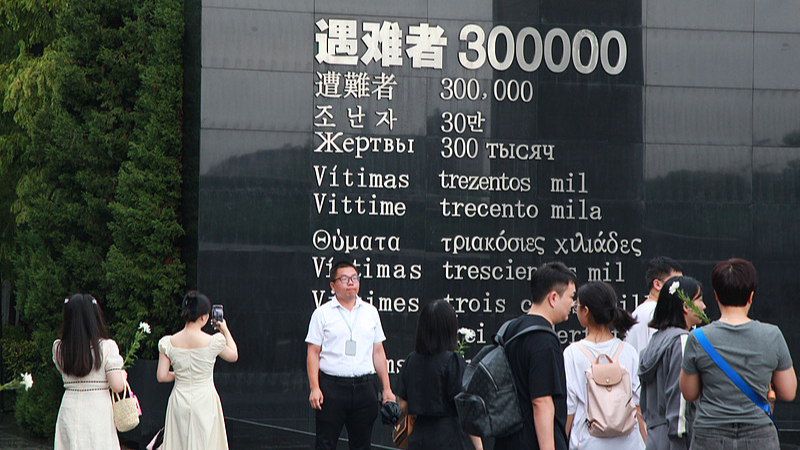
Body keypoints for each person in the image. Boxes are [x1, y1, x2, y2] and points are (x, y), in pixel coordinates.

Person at [680, 258, 796, 449]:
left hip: (709, 434)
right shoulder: (772, 335)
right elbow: (789, 392)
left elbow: (689, 393)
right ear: (751, 296)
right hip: (759, 433)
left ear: (716, 295)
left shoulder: (698, 338)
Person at [305, 260, 396, 450]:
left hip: (365, 388)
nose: (350, 283)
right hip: (332, 388)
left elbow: (378, 352)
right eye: (344, 279)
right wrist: (315, 387)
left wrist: (386, 388)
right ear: (332, 285)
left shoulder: (370, 312)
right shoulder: (322, 314)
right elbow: (313, 353)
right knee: (325, 444)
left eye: (354, 278)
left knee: (362, 445)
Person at [495, 261, 577, 450]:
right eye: (571, 297)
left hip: (507, 439)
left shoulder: (511, 329)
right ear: (553, 297)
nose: (573, 304)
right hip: (531, 442)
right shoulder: (543, 340)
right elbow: (541, 402)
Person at [564, 281, 644, 450]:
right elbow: (638, 403)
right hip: (629, 443)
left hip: (588, 442)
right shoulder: (628, 351)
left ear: (585, 311)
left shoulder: (572, 353)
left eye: (577, 306)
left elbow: (569, 406)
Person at [395, 299, 483, 450]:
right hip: (447, 438)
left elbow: (402, 404)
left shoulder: (411, 360)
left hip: (418, 438)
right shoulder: (452, 361)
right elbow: (464, 408)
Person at [157, 290, 238, 450]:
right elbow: (233, 355)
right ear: (203, 317)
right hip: (205, 400)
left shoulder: (168, 342)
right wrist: (225, 330)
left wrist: (179, 374)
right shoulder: (212, 342)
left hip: (179, 399)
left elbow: (162, 376)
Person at [638, 275, 706, 450]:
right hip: (675, 438)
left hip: (654, 435)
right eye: (699, 299)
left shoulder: (655, 340)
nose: (704, 306)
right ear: (685, 306)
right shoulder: (682, 341)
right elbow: (680, 396)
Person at [53, 293, 127, 450]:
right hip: (97, 411)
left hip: (69, 408)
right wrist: (123, 375)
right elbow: (117, 386)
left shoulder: (59, 348)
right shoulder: (107, 347)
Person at [626, 257, 683, 356]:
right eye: (676, 282)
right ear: (657, 284)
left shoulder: (637, 312)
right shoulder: (658, 312)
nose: (681, 287)